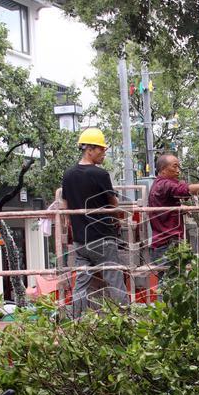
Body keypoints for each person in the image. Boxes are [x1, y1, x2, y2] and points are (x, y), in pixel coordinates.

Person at [60, 128, 130, 315]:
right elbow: (114, 204)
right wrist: (118, 222)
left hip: (80, 241)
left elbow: (65, 205)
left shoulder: (68, 175)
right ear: (89, 149)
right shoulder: (100, 175)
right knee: (115, 280)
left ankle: (76, 322)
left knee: (81, 284)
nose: (103, 154)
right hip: (103, 239)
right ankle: (126, 319)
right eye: (101, 149)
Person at [148, 154, 199, 267]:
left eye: (178, 167)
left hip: (165, 243)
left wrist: (180, 208)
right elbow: (184, 189)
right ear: (163, 170)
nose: (178, 171)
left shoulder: (160, 185)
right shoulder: (164, 185)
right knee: (169, 282)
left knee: (172, 281)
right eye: (174, 167)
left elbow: (181, 192)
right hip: (166, 245)